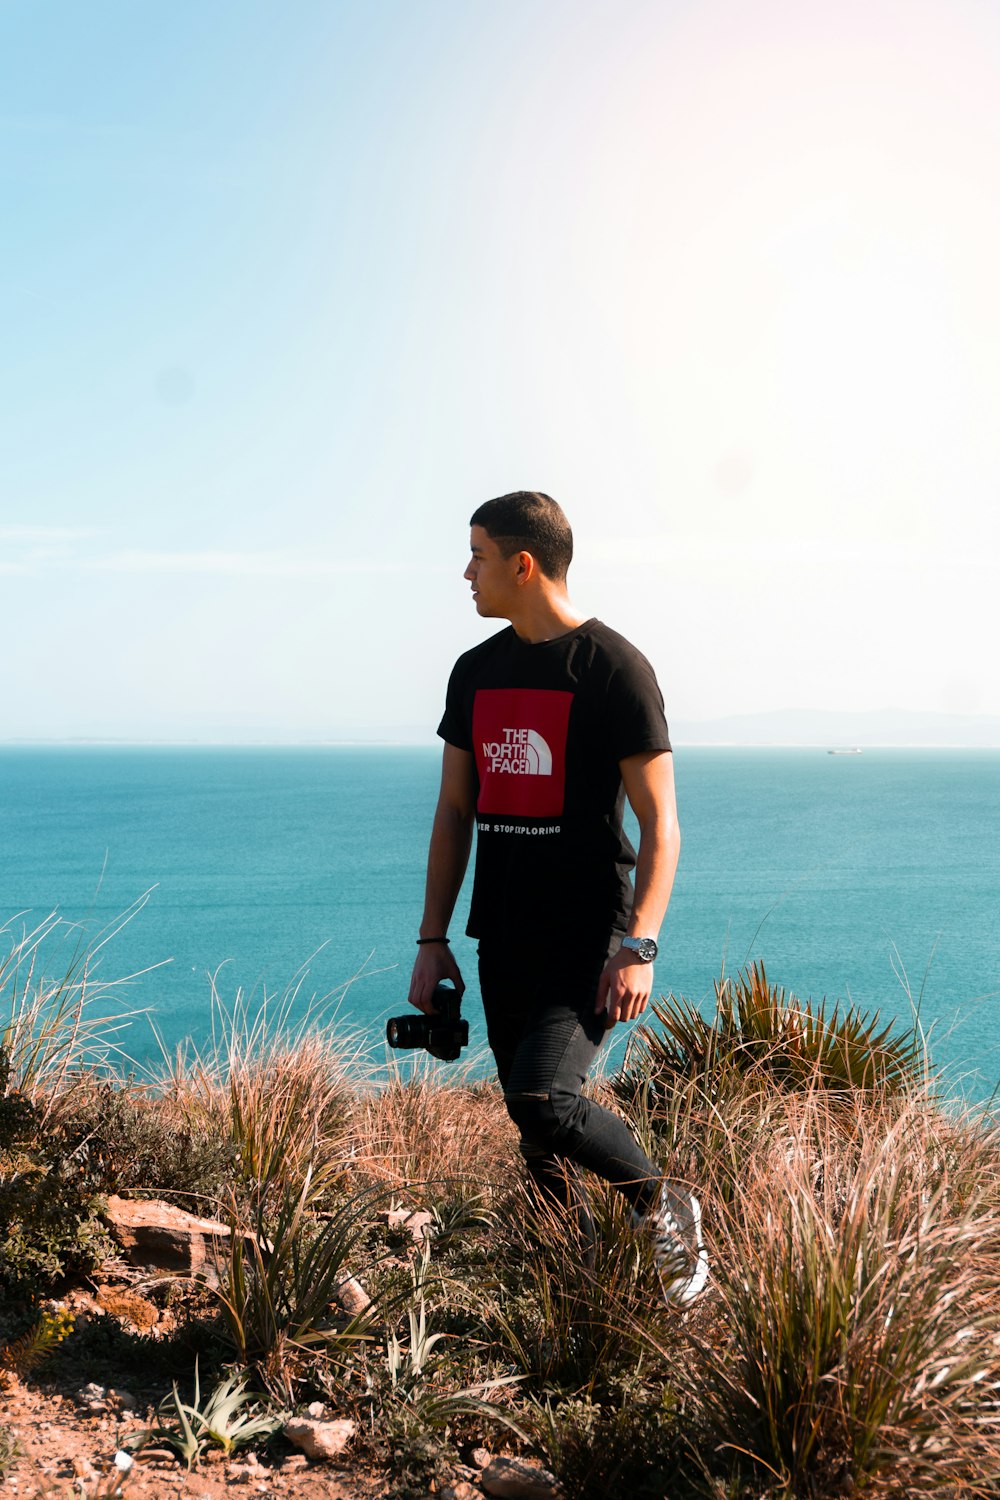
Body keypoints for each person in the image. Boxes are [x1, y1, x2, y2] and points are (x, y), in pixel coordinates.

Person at [407, 491, 707, 1304]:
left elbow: (662, 825)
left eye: (477, 554)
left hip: (588, 937)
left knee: (546, 1096)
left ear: (523, 563)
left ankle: (664, 1208)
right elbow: (454, 810)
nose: (465, 572)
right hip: (502, 933)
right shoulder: (476, 671)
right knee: (531, 1126)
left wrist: (639, 943)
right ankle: (561, 1282)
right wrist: (432, 940)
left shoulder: (615, 669)